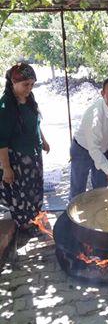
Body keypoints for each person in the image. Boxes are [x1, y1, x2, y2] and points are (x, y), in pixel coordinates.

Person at [0, 63, 50, 231]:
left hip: (34, 156)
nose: (29, 88)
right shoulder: (6, 106)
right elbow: (2, 141)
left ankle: (35, 219)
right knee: (22, 195)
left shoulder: (29, 98)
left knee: (35, 190)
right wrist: (6, 168)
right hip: (19, 160)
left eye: (32, 84)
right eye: (25, 85)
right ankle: (25, 226)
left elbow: (35, 122)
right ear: (13, 83)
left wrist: (43, 140)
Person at [69, 77, 108, 199]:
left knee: (102, 187)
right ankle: (72, 216)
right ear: (103, 93)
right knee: (78, 189)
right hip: (82, 149)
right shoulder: (94, 114)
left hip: (103, 149)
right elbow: (93, 149)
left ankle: (100, 213)